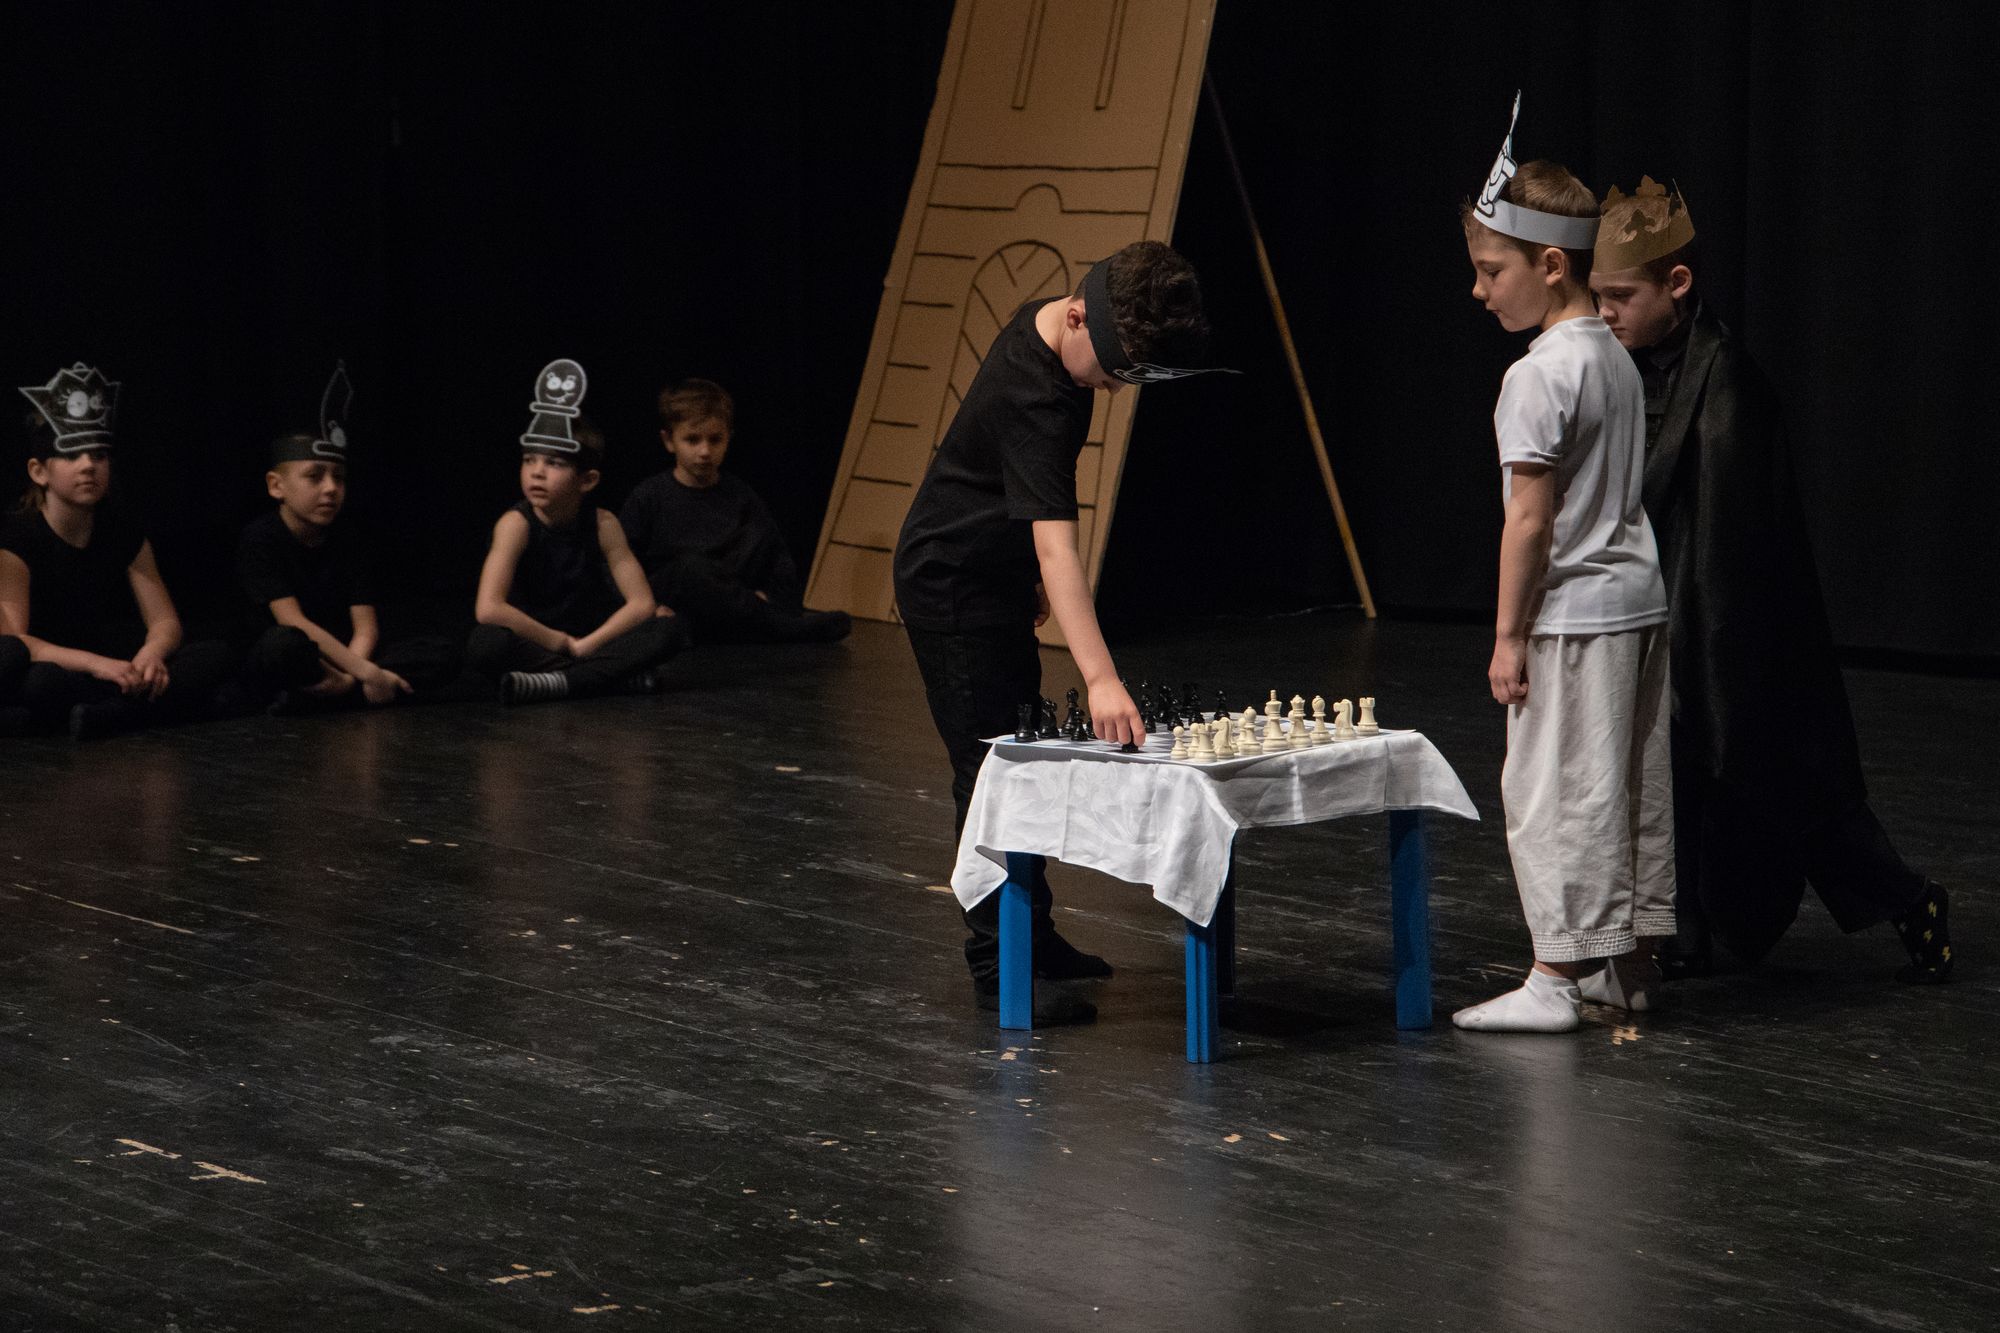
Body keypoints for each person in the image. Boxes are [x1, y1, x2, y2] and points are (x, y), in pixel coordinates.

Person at [1589, 178, 1951, 982]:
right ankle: (1683, 932)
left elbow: (1736, 546)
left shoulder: (1730, 389)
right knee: (1677, 776)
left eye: (1621, 296)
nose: (1605, 312)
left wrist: (1705, 656)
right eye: (1598, 296)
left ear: (1677, 284)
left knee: (1791, 793)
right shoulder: (1632, 369)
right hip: (1667, 611)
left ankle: (1910, 898)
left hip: (1737, 629)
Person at [893, 239, 1229, 1023]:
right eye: (1111, 372)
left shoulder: (1049, 327)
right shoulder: (1038, 399)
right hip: (951, 583)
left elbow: (1019, 506)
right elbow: (1057, 544)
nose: (1109, 389)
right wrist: (1101, 677)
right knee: (989, 773)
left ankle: (1033, 938)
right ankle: (997, 966)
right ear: (1078, 317)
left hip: (995, 575)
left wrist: (1026, 579)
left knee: (1023, 764)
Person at [1450, 100, 1675, 1033]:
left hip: (1576, 612)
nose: (1480, 291)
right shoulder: (1615, 355)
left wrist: (1509, 634)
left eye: (1491, 270)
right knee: (1624, 782)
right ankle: (1625, 963)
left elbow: (1530, 518)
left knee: (1553, 788)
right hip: (1636, 600)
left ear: (1551, 264)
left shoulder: (1539, 373)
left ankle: (1555, 975)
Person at [0, 363, 234, 740]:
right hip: (68, 665)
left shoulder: (123, 532)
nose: (88, 466)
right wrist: (94, 664)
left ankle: (113, 713)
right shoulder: (17, 538)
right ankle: (135, 711)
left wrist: (151, 654)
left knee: (215, 653)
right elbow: (15, 639)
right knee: (38, 683)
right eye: (72, 455)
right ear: (39, 471)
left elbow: (165, 621)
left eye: (99, 455)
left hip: (117, 661)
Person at [236, 363, 462, 711]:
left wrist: (353, 673)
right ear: (276, 486)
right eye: (315, 477)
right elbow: (292, 620)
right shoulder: (261, 538)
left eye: (338, 477)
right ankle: (351, 691)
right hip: (301, 652)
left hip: (344, 655)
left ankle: (333, 694)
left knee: (441, 651)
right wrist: (366, 673)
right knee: (282, 645)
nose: (331, 488)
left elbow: (366, 627)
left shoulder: (349, 537)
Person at [467, 359, 684, 704]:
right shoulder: (515, 524)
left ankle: (561, 683)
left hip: (591, 638)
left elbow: (641, 603)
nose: (537, 472)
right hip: (538, 641)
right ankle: (608, 679)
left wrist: (586, 645)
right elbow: (489, 608)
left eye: (554, 463)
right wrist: (560, 642)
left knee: (669, 629)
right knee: (487, 643)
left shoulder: (603, 524)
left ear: (588, 480)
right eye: (529, 460)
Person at [620, 378, 850, 644]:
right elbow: (619, 566)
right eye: (692, 440)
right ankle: (780, 627)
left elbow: (776, 558)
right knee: (691, 569)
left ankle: (750, 620)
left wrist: (771, 596)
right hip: (673, 601)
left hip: (726, 601)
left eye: (715, 439)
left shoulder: (740, 496)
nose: (705, 451)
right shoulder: (649, 496)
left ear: (729, 438)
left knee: (746, 551)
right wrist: (650, 607)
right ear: (669, 441)